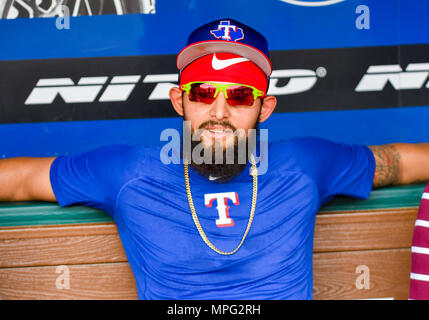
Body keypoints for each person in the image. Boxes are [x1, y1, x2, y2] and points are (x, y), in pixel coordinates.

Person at [1, 18, 429, 300]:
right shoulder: (128, 172)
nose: (219, 113)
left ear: (265, 108)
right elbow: (20, 180)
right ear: (179, 101)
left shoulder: (304, 164)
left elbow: (399, 163)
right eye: (203, 93)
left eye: (241, 96)